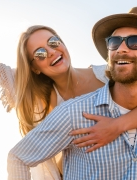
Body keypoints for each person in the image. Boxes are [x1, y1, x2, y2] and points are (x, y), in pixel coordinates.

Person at [7, 7, 137, 180]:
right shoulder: (73, 113)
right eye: (114, 42)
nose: (121, 49)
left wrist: (117, 125)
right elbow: (18, 157)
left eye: (134, 41)